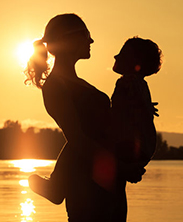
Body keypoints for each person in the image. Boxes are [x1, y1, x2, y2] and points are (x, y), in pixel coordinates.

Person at [24, 13, 143, 221]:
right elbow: (77, 138)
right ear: (68, 40)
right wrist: (121, 167)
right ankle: (55, 186)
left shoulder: (78, 83)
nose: (91, 40)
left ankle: (55, 186)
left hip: (109, 180)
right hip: (86, 186)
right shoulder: (55, 86)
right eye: (86, 34)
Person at [110, 37, 162, 172]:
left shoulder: (127, 83)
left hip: (130, 147)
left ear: (134, 62)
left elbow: (121, 115)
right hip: (143, 148)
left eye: (122, 54)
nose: (115, 56)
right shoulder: (140, 84)